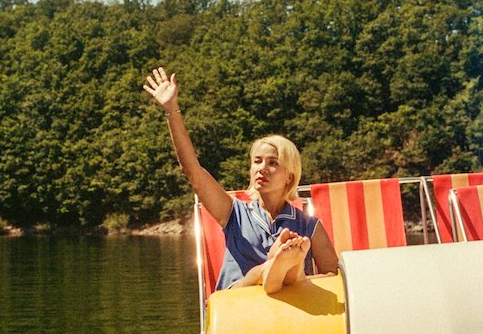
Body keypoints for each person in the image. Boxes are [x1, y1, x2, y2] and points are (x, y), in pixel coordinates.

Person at [144, 67, 338, 294]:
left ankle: (286, 272)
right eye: (257, 161)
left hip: (288, 309)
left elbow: (333, 277)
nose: (262, 168)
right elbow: (192, 171)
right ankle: (272, 269)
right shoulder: (234, 213)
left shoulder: (308, 226)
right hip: (239, 302)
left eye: (273, 163)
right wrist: (172, 111)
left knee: (294, 276)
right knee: (264, 273)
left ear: (290, 176)